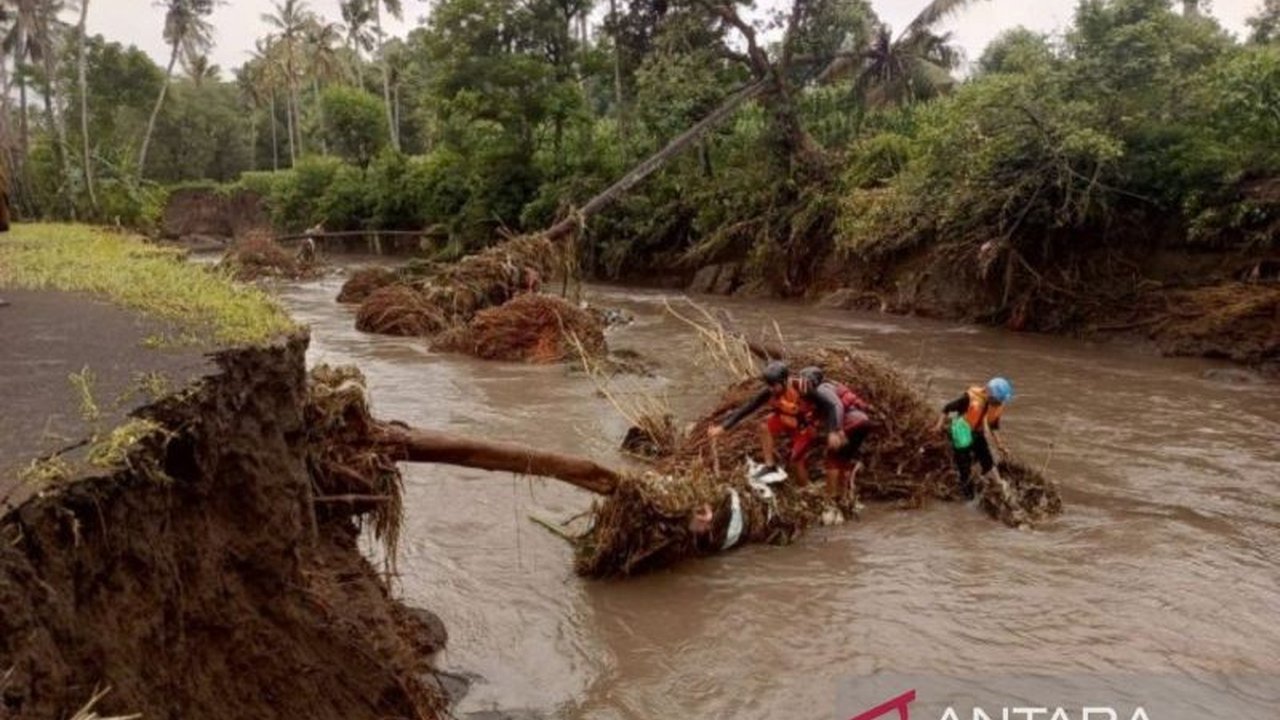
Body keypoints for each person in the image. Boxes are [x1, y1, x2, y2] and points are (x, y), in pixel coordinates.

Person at [706, 361, 819, 485]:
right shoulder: (769, 392)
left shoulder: (801, 388)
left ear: (784, 381)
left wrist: (831, 430)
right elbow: (747, 408)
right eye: (769, 385)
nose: (771, 389)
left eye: (774, 385)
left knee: (796, 461)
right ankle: (770, 466)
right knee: (764, 427)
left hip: (804, 427)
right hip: (786, 420)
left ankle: (805, 488)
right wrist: (722, 428)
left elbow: (827, 405)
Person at [793, 366, 874, 504]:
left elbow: (836, 406)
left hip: (851, 423)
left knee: (833, 459)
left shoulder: (822, 389)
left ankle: (830, 500)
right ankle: (844, 498)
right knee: (843, 459)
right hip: (863, 423)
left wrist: (835, 431)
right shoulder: (827, 389)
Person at [933, 377, 1014, 500]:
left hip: (977, 432)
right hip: (961, 432)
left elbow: (993, 426)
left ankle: (999, 484)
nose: (999, 404)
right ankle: (968, 499)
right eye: (997, 400)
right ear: (989, 394)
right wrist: (938, 427)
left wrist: (1000, 445)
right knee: (964, 469)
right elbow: (946, 408)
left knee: (987, 459)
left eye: (1001, 401)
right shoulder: (969, 398)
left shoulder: (996, 406)